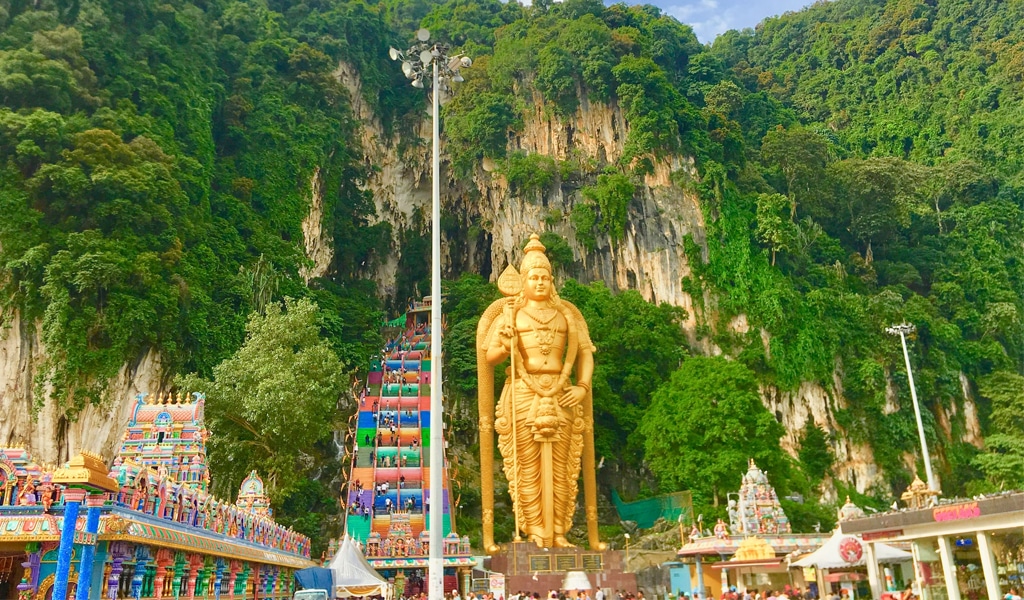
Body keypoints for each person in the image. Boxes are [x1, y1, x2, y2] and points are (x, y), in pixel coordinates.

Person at [481, 234, 596, 548]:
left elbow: (585, 354)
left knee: (563, 465)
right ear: (523, 281)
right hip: (522, 390)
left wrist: (583, 387)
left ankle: (559, 532)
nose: (540, 282)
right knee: (526, 465)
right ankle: (535, 532)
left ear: (552, 280)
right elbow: (489, 356)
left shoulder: (567, 316)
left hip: (562, 391)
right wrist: (505, 343)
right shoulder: (510, 315)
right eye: (533, 276)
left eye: (545, 277)